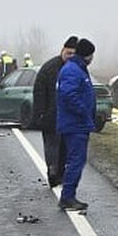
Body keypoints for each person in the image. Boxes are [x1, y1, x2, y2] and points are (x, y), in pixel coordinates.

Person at [56, 37, 96, 212]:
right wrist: (83, 112)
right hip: (75, 124)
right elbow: (69, 94)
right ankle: (67, 197)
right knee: (75, 161)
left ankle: (69, 195)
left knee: (76, 160)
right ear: (87, 55)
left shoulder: (78, 68)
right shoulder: (73, 70)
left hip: (77, 123)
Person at [33, 36, 78, 187]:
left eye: (73, 54)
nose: (70, 57)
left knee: (65, 148)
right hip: (50, 115)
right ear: (63, 51)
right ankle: (52, 171)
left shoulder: (76, 69)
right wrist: (40, 113)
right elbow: (39, 92)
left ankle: (60, 174)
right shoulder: (50, 68)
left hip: (68, 117)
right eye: (68, 53)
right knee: (52, 146)